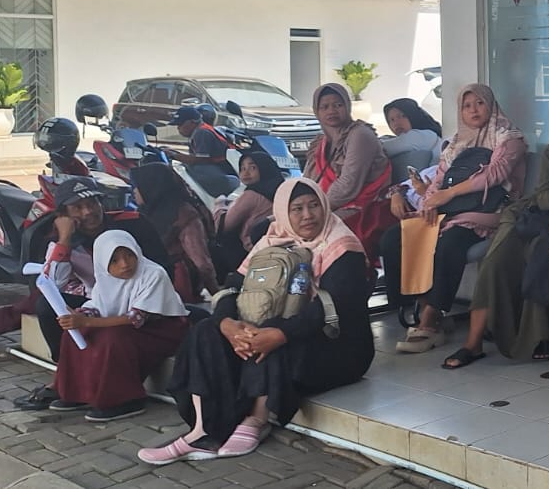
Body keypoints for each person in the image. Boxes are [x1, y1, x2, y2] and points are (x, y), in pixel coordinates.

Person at [142, 179, 372, 465]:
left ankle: (256, 418)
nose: (307, 215)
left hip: (336, 345)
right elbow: (233, 286)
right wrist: (227, 324)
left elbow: (335, 306)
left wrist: (280, 333)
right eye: (297, 209)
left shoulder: (341, 245)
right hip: (277, 331)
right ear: (283, 212)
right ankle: (203, 428)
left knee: (271, 333)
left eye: (314, 206)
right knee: (206, 330)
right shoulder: (271, 240)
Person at [440, 100, 549, 369]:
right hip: (533, 218)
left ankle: (540, 336)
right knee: (495, 263)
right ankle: (473, 343)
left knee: (538, 257)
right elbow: (542, 198)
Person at [3, 177, 172, 410]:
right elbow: (53, 283)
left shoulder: (133, 224)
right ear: (64, 214)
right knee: (48, 306)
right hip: (99, 298)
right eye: (78, 207)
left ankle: (117, 393)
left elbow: (162, 267)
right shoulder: (60, 239)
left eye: (92, 203)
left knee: (112, 334)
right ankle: (66, 378)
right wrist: (65, 239)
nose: (88, 212)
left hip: (144, 298)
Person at [383, 84, 528, 354]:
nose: (474, 110)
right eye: (467, 106)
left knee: (449, 243)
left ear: (491, 105)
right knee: (395, 238)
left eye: (480, 103)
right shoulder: (457, 142)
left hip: (488, 211)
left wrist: (448, 195)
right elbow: (439, 177)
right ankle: (422, 303)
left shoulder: (509, 138)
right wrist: (429, 202)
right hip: (449, 210)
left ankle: (431, 319)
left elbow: (494, 175)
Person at [49, 230, 190, 422]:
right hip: (125, 328)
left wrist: (87, 321)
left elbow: (135, 318)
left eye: (129, 255)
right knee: (76, 332)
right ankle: (78, 393)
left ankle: (125, 399)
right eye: (114, 260)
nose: (124, 264)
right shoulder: (104, 279)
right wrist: (80, 316)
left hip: (162, 330)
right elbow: (98, 306)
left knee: (113, 338)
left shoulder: (153, 274)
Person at [306, 83, 395, 259]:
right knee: (272, 227)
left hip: (362, 206)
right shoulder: (322, 142)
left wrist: (315, 210)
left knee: (311, 231)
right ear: (317, 111)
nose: (331, 111)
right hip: (328, 205)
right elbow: (309, 181)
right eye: (324, 107)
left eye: (338, 105)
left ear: (347, 106)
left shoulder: (360, 134)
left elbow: (348, 185)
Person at [132, 165, 218, 302]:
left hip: (177, 285)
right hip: (148, 284)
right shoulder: (143, 212)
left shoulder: (185, 215)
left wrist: (217, 294)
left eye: (137, 187)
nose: (134, 192)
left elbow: (201, 261)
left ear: (151, 186)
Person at [213, 151, 283, 274]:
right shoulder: (282, 189)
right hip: (276, 247)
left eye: (252, 168)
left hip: (250, 251)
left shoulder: (252, 194)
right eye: (242, 168)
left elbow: (224, 226)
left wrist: (219, 204)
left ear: (264, 168)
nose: (246, 173)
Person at [171, 107, 240, 199]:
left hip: (224, 171)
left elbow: (201, 160)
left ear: (192, 122)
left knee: (190, 169)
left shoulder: (202, 133)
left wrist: (174, 155)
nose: (178, 128)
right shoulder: (201, 130)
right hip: (221, 168)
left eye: (180, 124)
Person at [381, 98, 444, 183]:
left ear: (413, 115)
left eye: (402, 116)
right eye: (392, 120)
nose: (396, 123)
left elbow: (379, 148)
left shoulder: (424, 135)